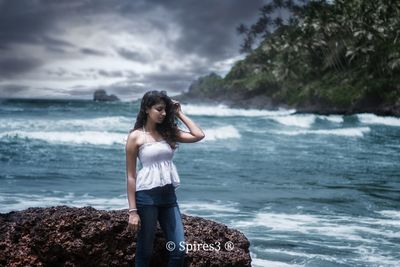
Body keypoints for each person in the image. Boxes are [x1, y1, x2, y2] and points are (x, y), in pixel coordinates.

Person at [125, 90, 205, 267]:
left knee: (178, 250)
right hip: (146, 198)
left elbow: (198, 135)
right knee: (144, 252)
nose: (163, 113)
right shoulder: (136, 136)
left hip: (169, 197)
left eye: (165, 110)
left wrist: (179, 113)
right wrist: (132, 211)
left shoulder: (170, 132)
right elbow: (131, 176)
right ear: (147, 109)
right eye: (158, 109)